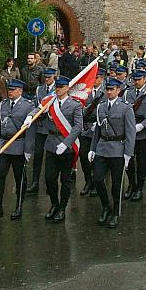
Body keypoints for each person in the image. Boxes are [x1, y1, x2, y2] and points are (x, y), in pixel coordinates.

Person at [89, 77, 136, 229]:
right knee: (97, 179)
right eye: (107, 89)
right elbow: (98, 128)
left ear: (118, 90)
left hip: (118, 148)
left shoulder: (126, 107)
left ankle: (115, 212)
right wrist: (92, 147)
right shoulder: (101, 107)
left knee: (116, 185)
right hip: (102, 146)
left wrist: (128, 153)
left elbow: (130, 132)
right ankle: (105, 207)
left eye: (112, 89)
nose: (109, 92)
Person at [0, 79, 35, 221]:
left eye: (13, 90)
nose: (10, 92)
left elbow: (30, 130)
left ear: (20, 91)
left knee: (20, 178)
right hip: (4, 144)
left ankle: (19, 206)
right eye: (9, 90)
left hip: (19, 145)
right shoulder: (3, 104)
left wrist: (28, 149)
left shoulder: (28, 105)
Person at [42, 75, 83, 222]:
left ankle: (62, 208)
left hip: (66, 146)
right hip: (52, 143)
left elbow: (78, 126)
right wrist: (29, 117)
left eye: (61, 87)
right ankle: (54, 204)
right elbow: (37, 110)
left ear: (67, 88)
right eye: (56, 87)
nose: (58, 89)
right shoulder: (50, 102)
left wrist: (66, 143)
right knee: (49, 178)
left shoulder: (75, 105)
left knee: (65, 180)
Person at [123, 69, 146, 201]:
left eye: (139, 79)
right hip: (129, 132)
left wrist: (143, 125)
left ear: (145, 79)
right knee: (129, 160)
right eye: (135, 79)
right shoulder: (128, 92)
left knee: (142, 161)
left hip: (144, 133)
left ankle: (139, 187)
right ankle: (131, 184)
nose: (137, 82)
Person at [26, 67, 57, 193]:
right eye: (46, 77)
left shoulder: (58, 89)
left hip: (52, 127)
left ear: (54, 77)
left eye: (49, 77)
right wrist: (31, 115)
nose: (47, 79)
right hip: (40, 127)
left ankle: (51, 183)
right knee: (38, 155)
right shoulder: (40, 89)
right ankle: (35, 181)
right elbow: (36, 103)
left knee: (52, 156)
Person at [79, 67, 106, 196]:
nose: (94, 80)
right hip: (86, 127)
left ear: (102, 78)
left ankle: (97, 182)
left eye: (97, 77)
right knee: (83, 156)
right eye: (93, 77)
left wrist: (100, 122)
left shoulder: (106, 92)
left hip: (99, 127)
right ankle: (88, 180)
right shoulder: (86, 91)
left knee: (97, 157)